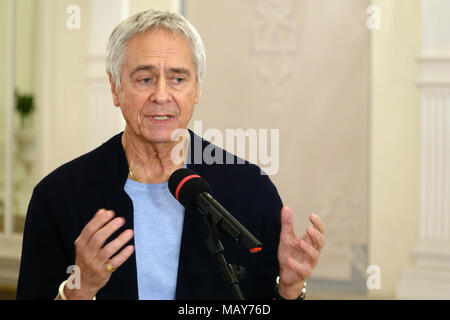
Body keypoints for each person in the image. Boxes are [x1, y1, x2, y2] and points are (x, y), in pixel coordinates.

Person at [16, 9, 325, 300]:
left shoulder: (250, 190)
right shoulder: (59, 196)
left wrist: (289, 289)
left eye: (178, 79)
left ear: (197, 90)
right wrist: (76, 290)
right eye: (144, 79)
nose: (161, 95)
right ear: (115, 88)